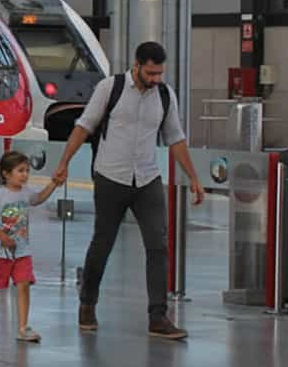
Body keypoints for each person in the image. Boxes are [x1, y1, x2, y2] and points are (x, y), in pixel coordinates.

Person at [52, 41, 205, 341]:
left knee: (158, 246)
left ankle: (158, 317)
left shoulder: (164, 94)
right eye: (151, 73)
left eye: (160, 73)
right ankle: (87, 304)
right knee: (103, 242)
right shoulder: (110, 88)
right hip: (111, 176)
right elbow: (84, 126)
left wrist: (195, 178)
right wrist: (64, 163)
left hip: (147, 179)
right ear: (137, 65)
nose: (156, 78)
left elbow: (175, 138)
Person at [0, 151, 61, 343]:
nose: (25, 175)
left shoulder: (26, 192)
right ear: (6, 174)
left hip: (22, 251)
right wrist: (1, 236)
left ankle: (23, 327)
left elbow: (38, 198)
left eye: (27, 171)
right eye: (20, 171)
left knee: (24, 284)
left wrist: (53, 184)